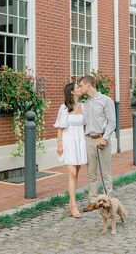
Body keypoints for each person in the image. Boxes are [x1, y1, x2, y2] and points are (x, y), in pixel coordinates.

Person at [79, 75, 116, 212]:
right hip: (89, 139)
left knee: (105, 173)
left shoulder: (106, 100)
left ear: (89, 85)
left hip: (102, 140)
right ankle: (93, 201)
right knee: (91, 174)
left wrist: (105, 138)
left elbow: (112, 122)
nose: (80, 88)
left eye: (81, 85)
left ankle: (109, 200)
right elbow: (83, 123)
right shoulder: (86, 103)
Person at [54, 82, 87, 218]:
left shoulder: (83, 107)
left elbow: (85, 125)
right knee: (72, 173)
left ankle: (71, 201)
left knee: (76, 174)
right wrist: (59, 144)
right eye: (77, 88)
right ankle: (73, 206)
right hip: (68, 141)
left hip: (79, 141)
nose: (79, 89)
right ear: (72, 92)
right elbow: (60, 128)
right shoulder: (64, 108)